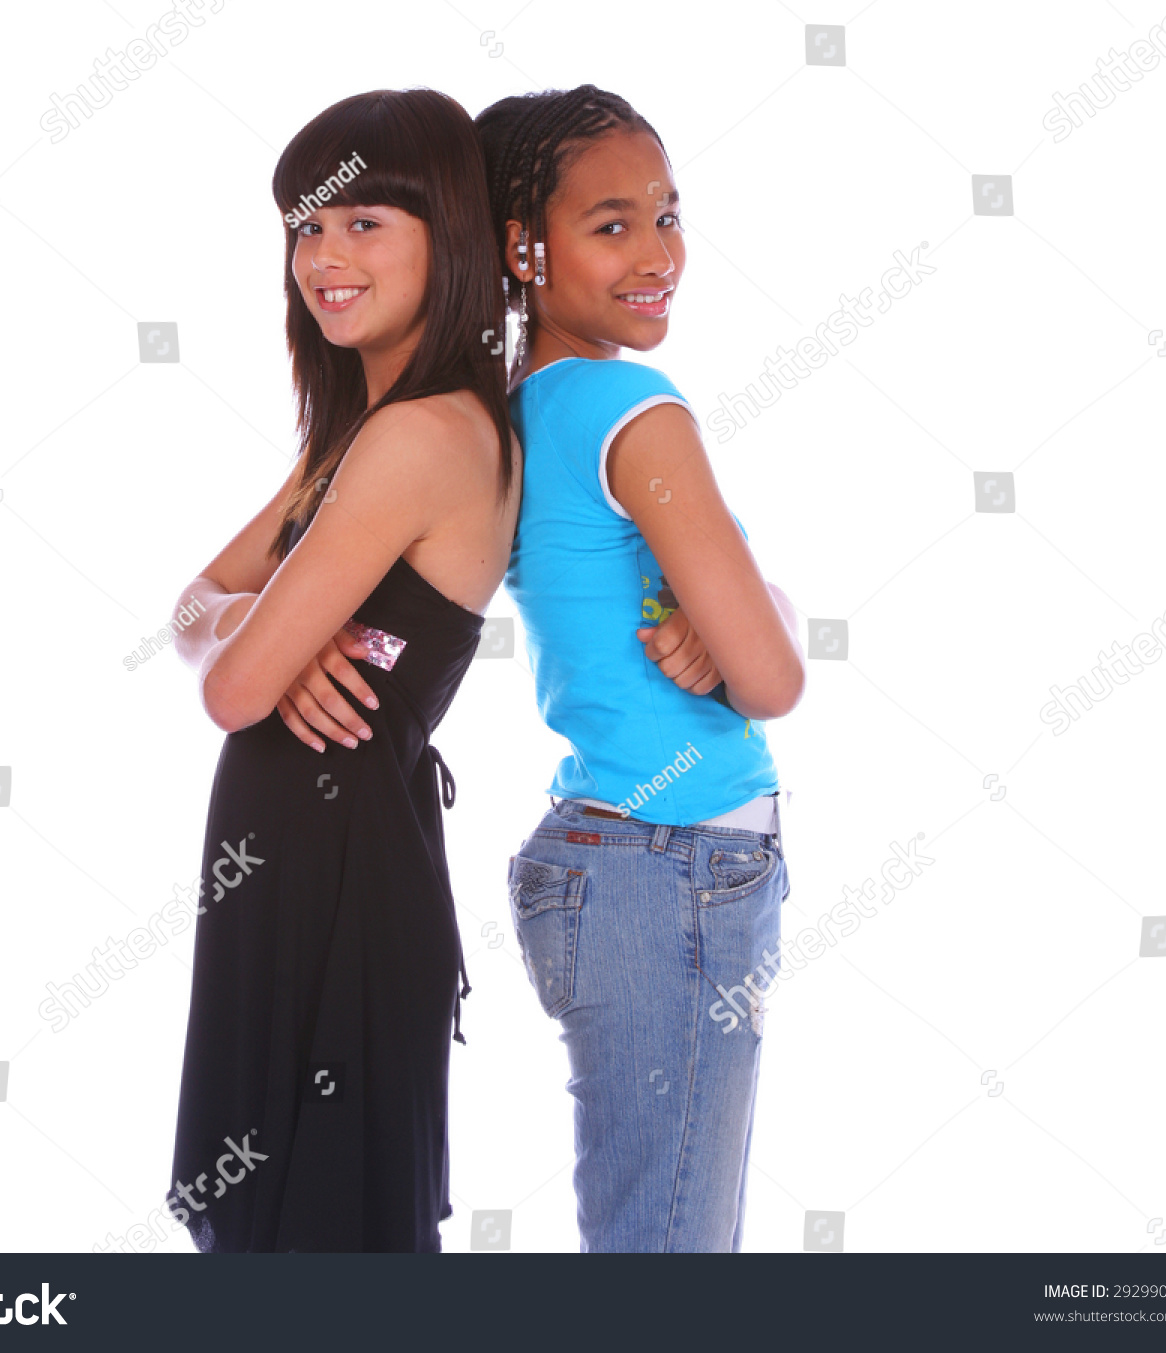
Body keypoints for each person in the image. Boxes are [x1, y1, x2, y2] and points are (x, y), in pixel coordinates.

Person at [164, 87, 521, 1253]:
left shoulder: (421, 438)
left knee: (312, 1239)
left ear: (449, 237)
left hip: (339, 888)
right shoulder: (354, 438)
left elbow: (226, 687)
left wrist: (246, 638)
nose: (324, 256)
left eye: (365, 222)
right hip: (298, 871)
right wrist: (252, 629)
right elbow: (194, 610)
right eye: (306, 228)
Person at [476, 85, 807, 1252]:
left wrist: (742, 625)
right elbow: (771, 679)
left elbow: (737, 643)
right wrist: (758, 621)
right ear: (522, 248)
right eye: (610, 224)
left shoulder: (518, 413)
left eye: (669, 215)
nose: (659, 253)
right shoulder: (632, 407)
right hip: (669, 873)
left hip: (618, 865)